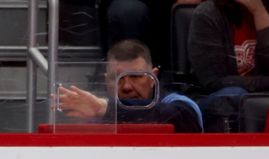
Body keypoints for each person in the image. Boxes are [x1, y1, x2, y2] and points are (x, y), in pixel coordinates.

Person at [56, 39, 203, 132]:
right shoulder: (92, 113)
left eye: (136, 76)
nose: (126, 87)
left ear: (153, 78)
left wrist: (105, 109)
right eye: (117, 78)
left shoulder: (179, 105)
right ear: (106, 81)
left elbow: (178, 116)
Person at [189, 0, 269, 131]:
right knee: (234, 94)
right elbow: (214, 81)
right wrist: (267, 83)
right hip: (218, 97)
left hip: (264, 91)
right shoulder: (207, 14)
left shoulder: (267, 10)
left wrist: (260, 12)